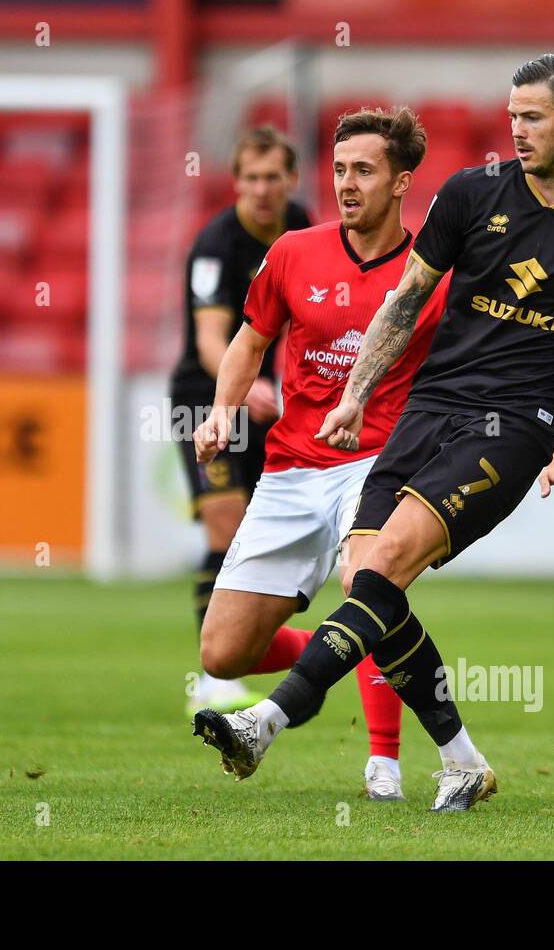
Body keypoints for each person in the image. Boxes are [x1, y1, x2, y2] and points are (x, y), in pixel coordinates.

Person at [194, 54, 554, 812]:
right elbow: (406, 303)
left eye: (533, 117)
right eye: (511, 115)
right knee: (367, 583)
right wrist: (356, 395)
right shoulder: (471, 195)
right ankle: (463, 760)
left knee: (384, 566)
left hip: (514, 425)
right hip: (426, 410)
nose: (516, 130)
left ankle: (266, 720)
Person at [168, 125, 310, 715]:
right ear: (236, 182)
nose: (262, 190)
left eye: (272, 177)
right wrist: (242, 389)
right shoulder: (215, 246)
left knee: (263, 536)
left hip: (274, 403)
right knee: (224, 530)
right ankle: (214, 674)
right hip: (207, 403)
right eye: (250, 178)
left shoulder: (304, 228)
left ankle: (277, 648)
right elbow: (209, 340)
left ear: (291, 180)